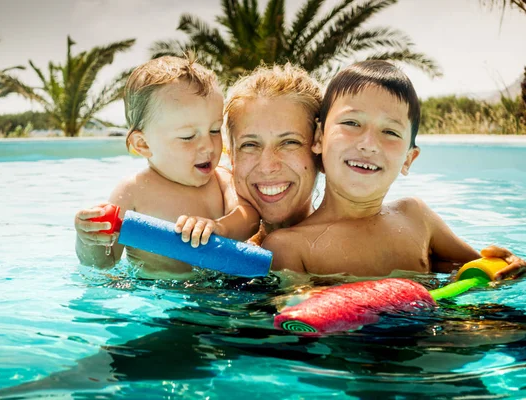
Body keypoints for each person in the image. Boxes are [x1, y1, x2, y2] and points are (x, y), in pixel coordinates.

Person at [262, 60, 525, 279]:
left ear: (409, 159)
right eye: (352, 122)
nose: (368, 144)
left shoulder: (417, 217)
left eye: (389, 131)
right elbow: (294, 320)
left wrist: (508, 265)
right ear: (319, 138)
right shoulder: (290, 246)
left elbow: (481, 268)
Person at [74, 55, 259, 279]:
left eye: (214, 130)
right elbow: (104, 262)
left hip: (220, 291)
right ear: (143, 144)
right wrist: (89, 239)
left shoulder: (221, 180)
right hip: (158, 295)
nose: (208, 146)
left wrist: (220, 227)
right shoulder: (133, 192)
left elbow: (249, 217)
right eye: (188, 136)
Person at [179, 63, 325, 247]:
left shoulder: (343, 252)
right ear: (231, 155)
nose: (267, 166)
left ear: (319, 148)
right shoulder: (205, 238)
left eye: (289, 142)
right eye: (250, 145)